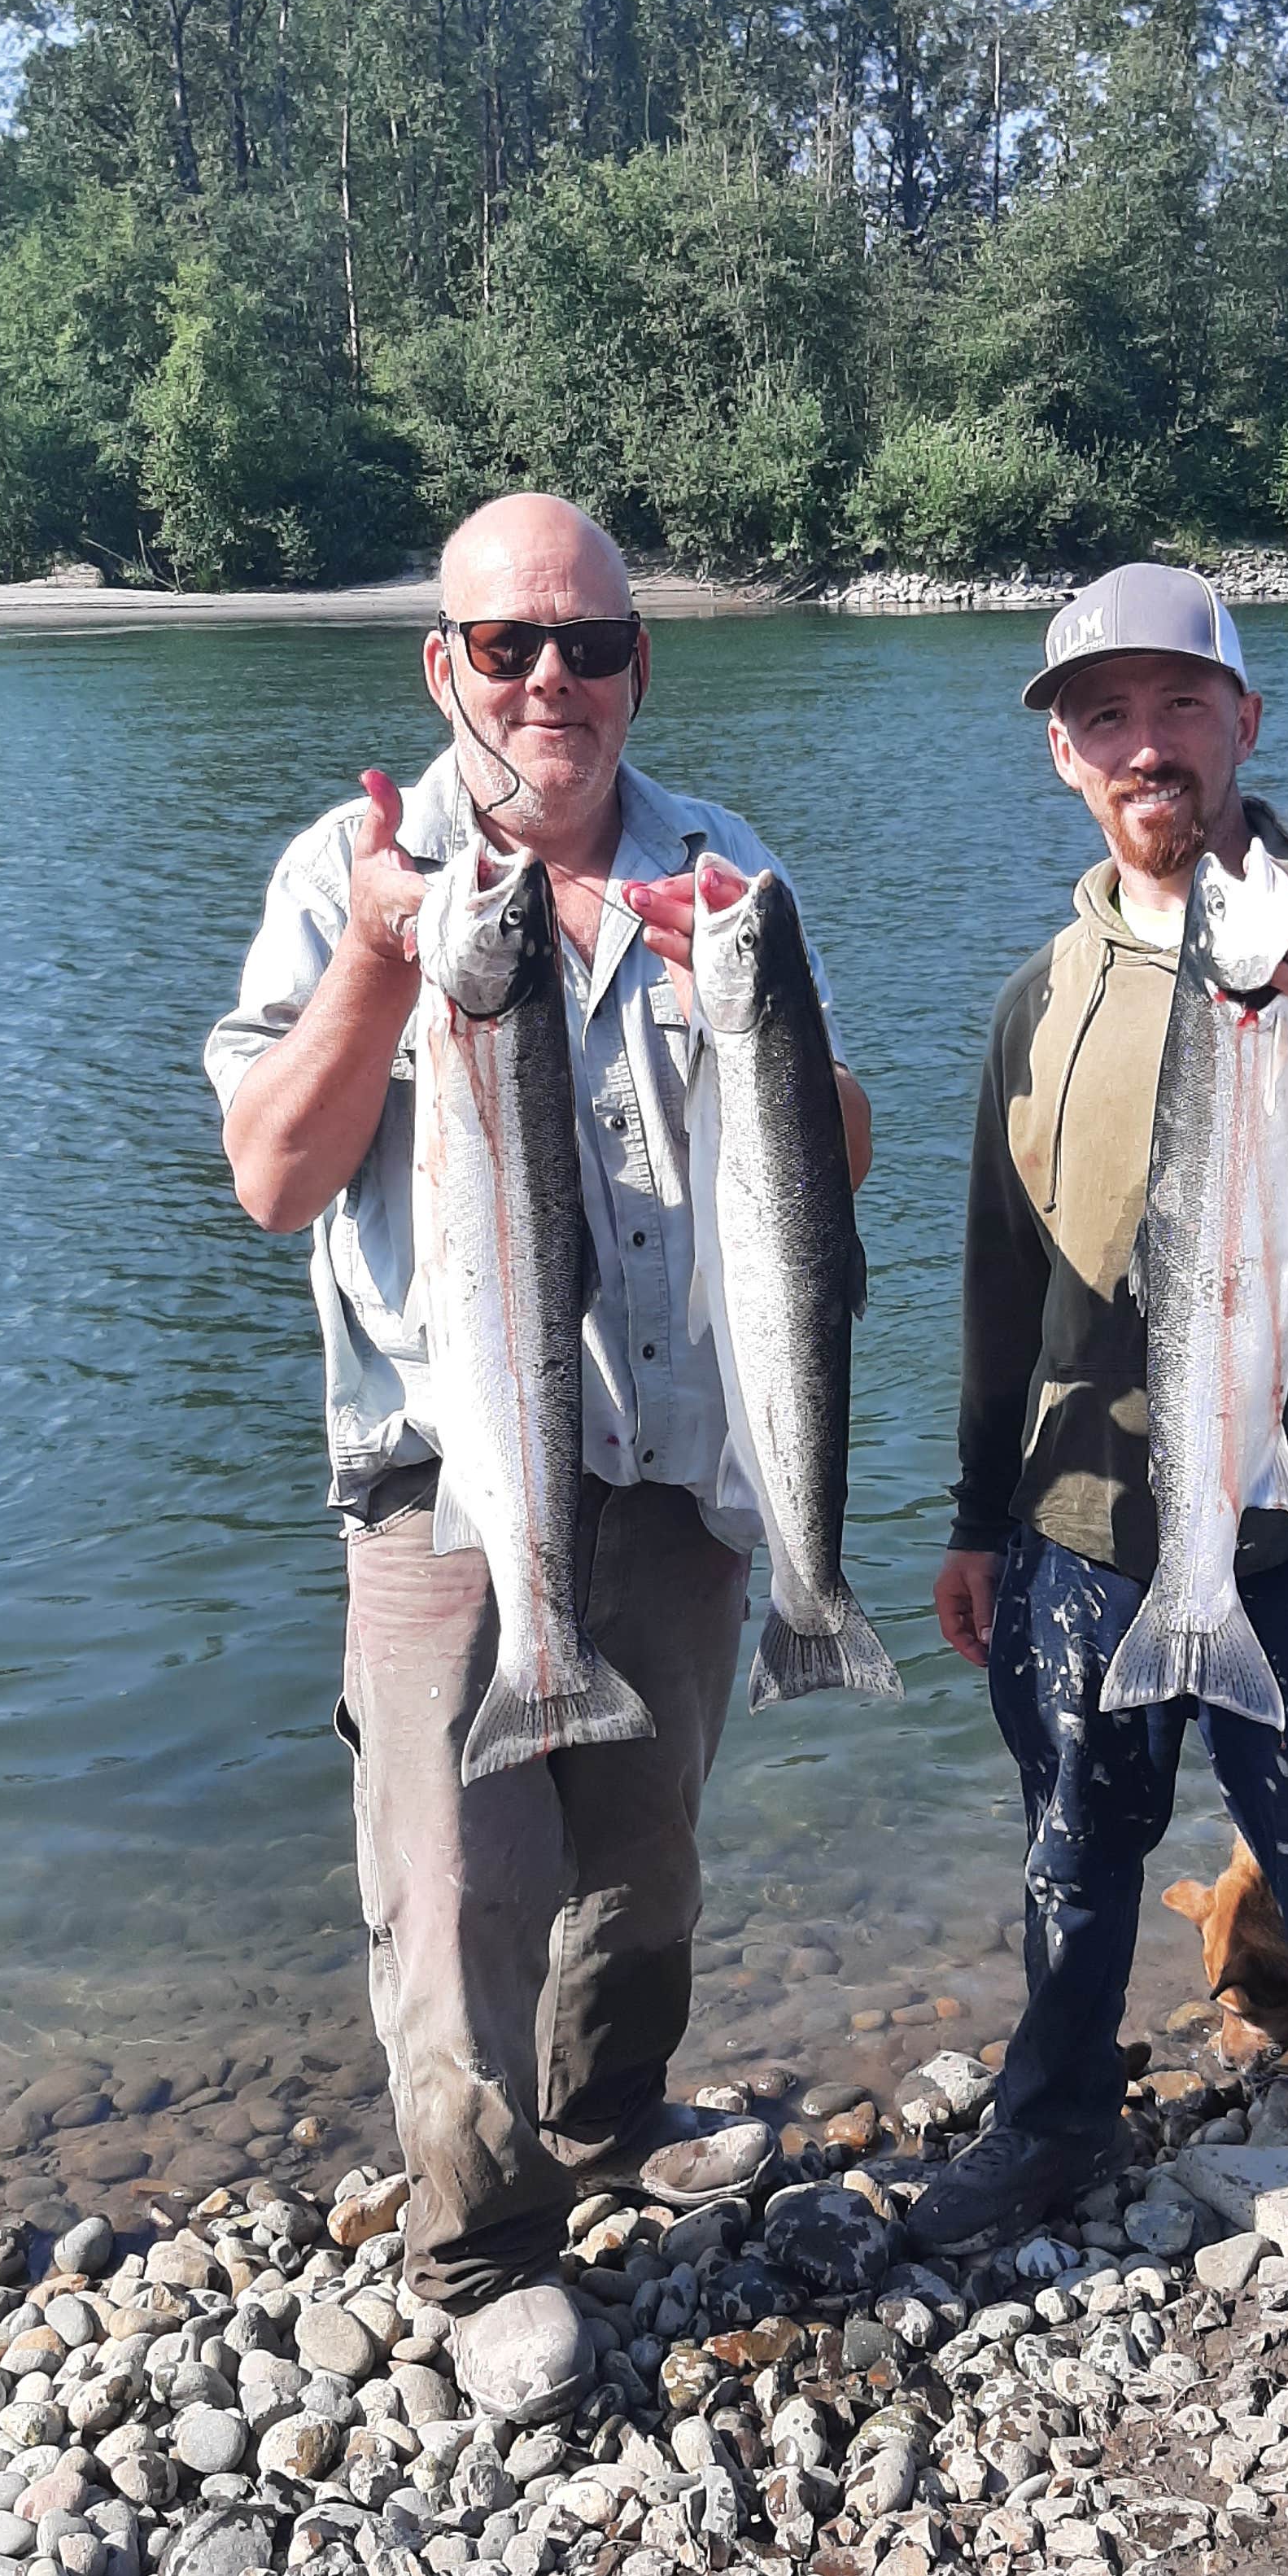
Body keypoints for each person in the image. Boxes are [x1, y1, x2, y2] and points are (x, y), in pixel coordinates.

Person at [205, 492, 871, 2425]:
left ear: (639, 664)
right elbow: (270, 1178)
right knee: (459, 1867)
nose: (551, 678)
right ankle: (481, 2243)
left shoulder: (726, 869)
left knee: (641, 1853)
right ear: (446, 667)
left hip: (674, 1459)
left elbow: (835, 1168)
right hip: (447, 1460)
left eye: (590, 641)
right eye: (510, 645)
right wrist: (395, 962)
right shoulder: (355, 868)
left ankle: (610, 2124)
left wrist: (754, 1007)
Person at [924, 562, 1288, 2355]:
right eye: (1102, 714)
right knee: (1073, 1850)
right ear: (1062, 757)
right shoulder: (1045, 990)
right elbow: (998, 1278)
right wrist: (971, 1515)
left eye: (1180, 702)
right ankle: (1051, 2120)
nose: (1144, 742)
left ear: (1246, 720)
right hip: (1084, 1528)